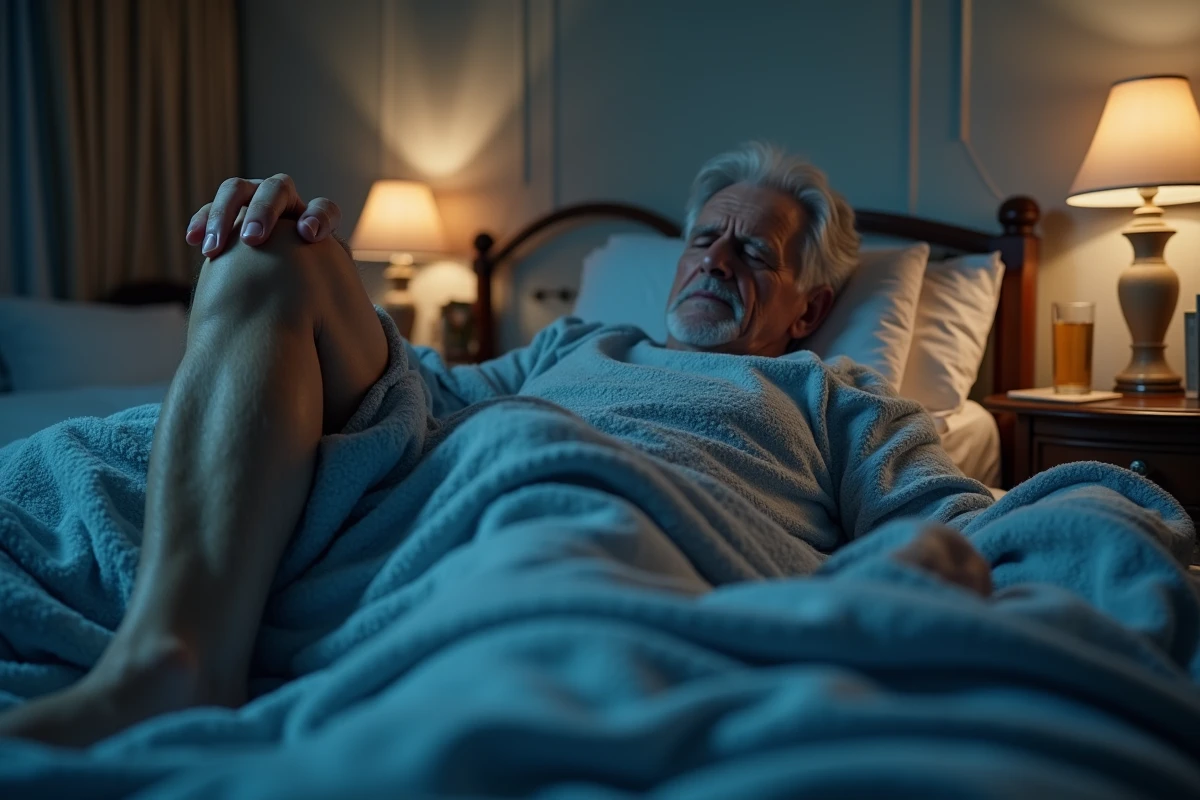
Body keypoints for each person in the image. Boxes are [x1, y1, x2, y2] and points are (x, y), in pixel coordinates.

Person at [0, 143, 994, 747]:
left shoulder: (835, 392)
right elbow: (417, 402)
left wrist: (904, 567)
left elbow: (946, 524)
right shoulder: (572, 342)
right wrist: (317, 274)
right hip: (427, 488)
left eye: (753, 250)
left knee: (524, 473)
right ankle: (173, 653)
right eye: (704, 237)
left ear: (809, 305)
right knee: (270, 243)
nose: (715, 259)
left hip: (572, 511)